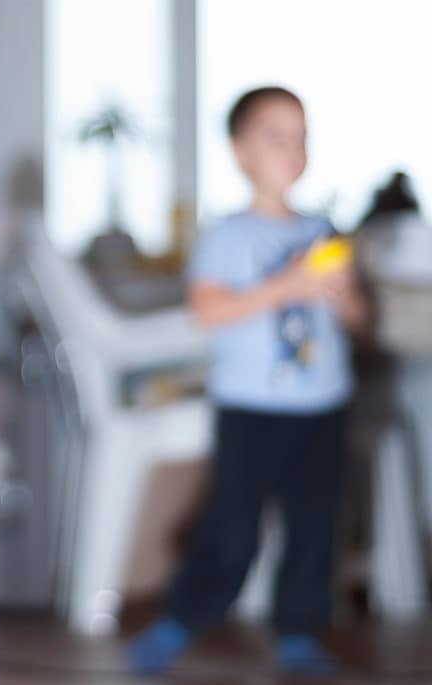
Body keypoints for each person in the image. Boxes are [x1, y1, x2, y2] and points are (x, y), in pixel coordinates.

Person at [127, 86, 366, 675]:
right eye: (276, 137)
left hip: (321, 405)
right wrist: (288, 285)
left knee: (314, 526)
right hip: (250, 407)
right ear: (240, 152)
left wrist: (339, 296)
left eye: (301, 137)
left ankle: (298, 633)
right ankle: (181, 618)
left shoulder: (323, 230)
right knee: (232, 527)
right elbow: (207, 311)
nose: (293, 149)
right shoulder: (226, 235)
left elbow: (360, 317)